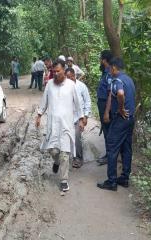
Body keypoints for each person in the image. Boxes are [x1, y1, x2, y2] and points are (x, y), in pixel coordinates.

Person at [36, 59, 84, 192]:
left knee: (65, 153)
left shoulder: (71, 85)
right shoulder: (49, 85)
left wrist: (81, 118)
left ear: (64, 70)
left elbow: (78, 103)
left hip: (66, 125)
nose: (56, 74)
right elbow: (44, 101)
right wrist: (39, 115)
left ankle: (63, 180)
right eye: (54, 71)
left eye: (58, 71)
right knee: (53, 151)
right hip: (52, 125)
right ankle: (55, 162)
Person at [97, 57, 136, 191]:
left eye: (110, 69)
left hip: (120, 119)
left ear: (114, 68)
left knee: (112, 147)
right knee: (126, 147)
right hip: (130, 119)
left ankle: (111, 181)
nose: (109, 71)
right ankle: (125, 178)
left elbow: (120, 93)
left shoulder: (117, 80)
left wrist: (120, 108)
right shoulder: (129, 79)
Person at [66, 68, 91, 168]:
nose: (68, 79)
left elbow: (87, 101)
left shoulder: (81, 86)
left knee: (76, 136)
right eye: (66, 77)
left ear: (74, 76)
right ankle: (68, 157)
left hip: (78, 117)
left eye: (70, 77)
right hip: (67, 117)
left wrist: (85, 116)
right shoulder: (63, 87)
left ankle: (78, 158)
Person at [96, 50, 113, 165]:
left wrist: (107, 111)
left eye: (101, 58)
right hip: (102, 104)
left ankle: (110, 156)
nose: (100, 61)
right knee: (106, 129)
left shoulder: (109, 73)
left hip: (106, 104)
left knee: (108, 130)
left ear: (104, 60)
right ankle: (109, 154)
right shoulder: (105, 72)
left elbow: (110, 93)